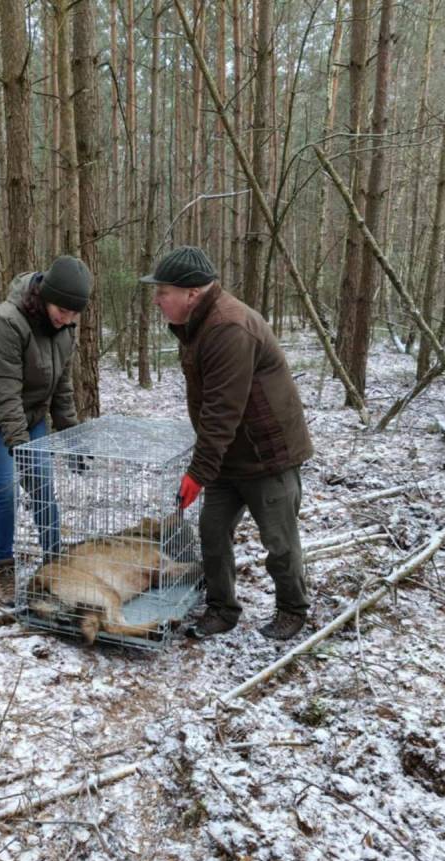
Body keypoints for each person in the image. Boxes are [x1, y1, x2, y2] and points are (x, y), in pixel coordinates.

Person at [140, 245, 313, 640]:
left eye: (163, 291)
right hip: (228, 455)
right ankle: (221, 608)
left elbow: (222, 411)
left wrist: (197, 472)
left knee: (279, 541)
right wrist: (207, 466)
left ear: (192, 293)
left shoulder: (229, 327)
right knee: (213, 532)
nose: (157, 300)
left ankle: (292, 609)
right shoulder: (197, 325)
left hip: (268, 453)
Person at [0, 256, 92, 606]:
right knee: (8, 488)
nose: (67, 319)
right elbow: (6, 393)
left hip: (29, 413)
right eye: (62, 310)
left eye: (74, 314)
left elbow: (61, 389)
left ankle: (55, 561)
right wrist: (19, 446)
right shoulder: (6, 323)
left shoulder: (65, 329)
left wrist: (71, 439)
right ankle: (2, 567)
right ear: (45, 296)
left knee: (42, 485)